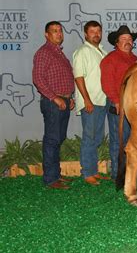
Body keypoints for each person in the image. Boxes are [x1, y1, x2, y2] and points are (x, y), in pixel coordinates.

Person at [32, 21, 75, 189]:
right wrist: (55, 98)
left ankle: (55, 175)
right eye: (54, 31)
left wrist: (68, 97)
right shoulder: (44, 52)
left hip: (62, 100)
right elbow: (38, 79)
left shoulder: (59, 53)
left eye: (60, 31)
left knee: (57, 139)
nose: (59, 34)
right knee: (52, 140)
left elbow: (63, 78)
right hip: (53, 103)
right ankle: (50, 179)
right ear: (46, 35)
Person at [73, 20, 110, 186]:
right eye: (92, 31)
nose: (96, 34)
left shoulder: (102, 51)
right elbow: (79, 77)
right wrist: (87, 100)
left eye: (98, 31)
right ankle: (87, 172)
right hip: (91, 101)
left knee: (96, 138)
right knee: (89, 137)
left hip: (102, 100)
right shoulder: (82, 52)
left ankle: (93, 171)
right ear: (85, 34)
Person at [100, 25, 137, 180]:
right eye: (123, 39)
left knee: (132, 141)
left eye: (129, 39)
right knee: (119, 141)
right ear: (116, 42)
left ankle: (130, 172)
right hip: (119, 105)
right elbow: (107, 83)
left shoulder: (135, 59)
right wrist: (116, 101)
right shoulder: (110, 59)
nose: (127, 41)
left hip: (134, 105)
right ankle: (118, 174)